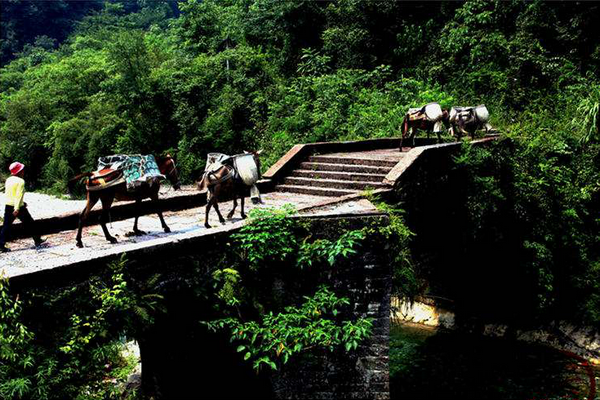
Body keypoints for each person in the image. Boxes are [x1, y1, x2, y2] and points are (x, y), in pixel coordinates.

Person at [0, 162, 45, 252]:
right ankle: (37, 240)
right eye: (22, 170)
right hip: (18, 208)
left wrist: (22, 203)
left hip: (8, 205)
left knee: (6, 226)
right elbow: (18, 195)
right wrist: (17, 208)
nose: (23, 171)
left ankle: (1, 245)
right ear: (19, 171)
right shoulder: (21, 181)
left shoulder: (8, 180)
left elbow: (10, 194)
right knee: (31, 223)